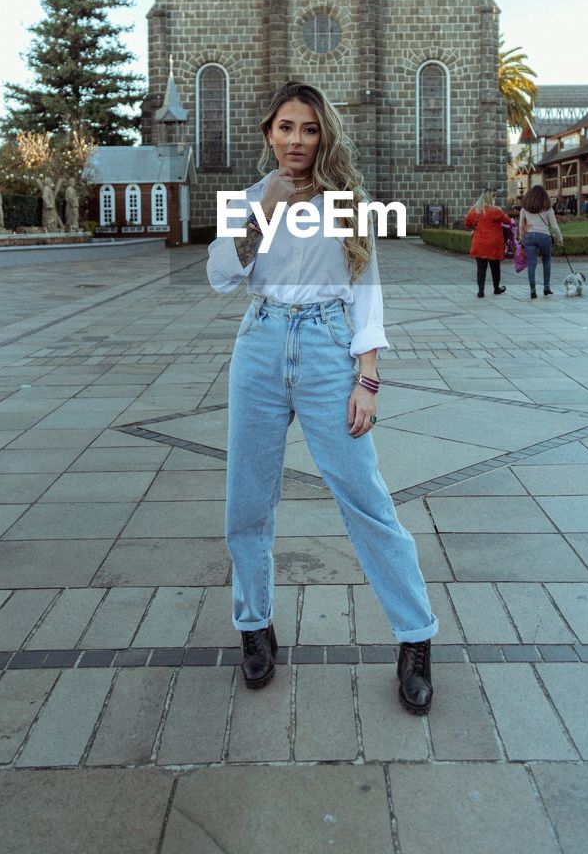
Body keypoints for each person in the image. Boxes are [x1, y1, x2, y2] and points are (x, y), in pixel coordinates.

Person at [207, 81, 438, 714]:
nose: (297, 141)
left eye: (309, 129)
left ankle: (415, 638)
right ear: (268, 134)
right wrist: (265, 210)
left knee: (365, 497)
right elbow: (221, 277)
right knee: (247, 500)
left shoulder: (345, 202)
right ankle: (255, 626)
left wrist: (367, 379)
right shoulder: (249, 199)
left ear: (323, 135)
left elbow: (366, 291)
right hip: (259, 344)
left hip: (329, 347)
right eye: (286, 128)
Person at [464, 188, 512, 298]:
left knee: (481, 268)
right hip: (493, 242)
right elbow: (508, 221)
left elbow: (467, 224)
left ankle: (481, 291)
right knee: (495, 267)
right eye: (494, 197)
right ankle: (496, 288)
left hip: (479, 242)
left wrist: (477, 228)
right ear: (492, 198)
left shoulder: (473, 211)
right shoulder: (495, 211)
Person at [519, 184, 563, 299]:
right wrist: (559, 238)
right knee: (546, 260)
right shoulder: (548, 208)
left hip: (529, 236)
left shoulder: (524, 208)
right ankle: (546, 288)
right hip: (544, 236)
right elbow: (554, 226)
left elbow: (521, 225)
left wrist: (521, 238)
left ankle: (532, 290)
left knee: (531, 263)